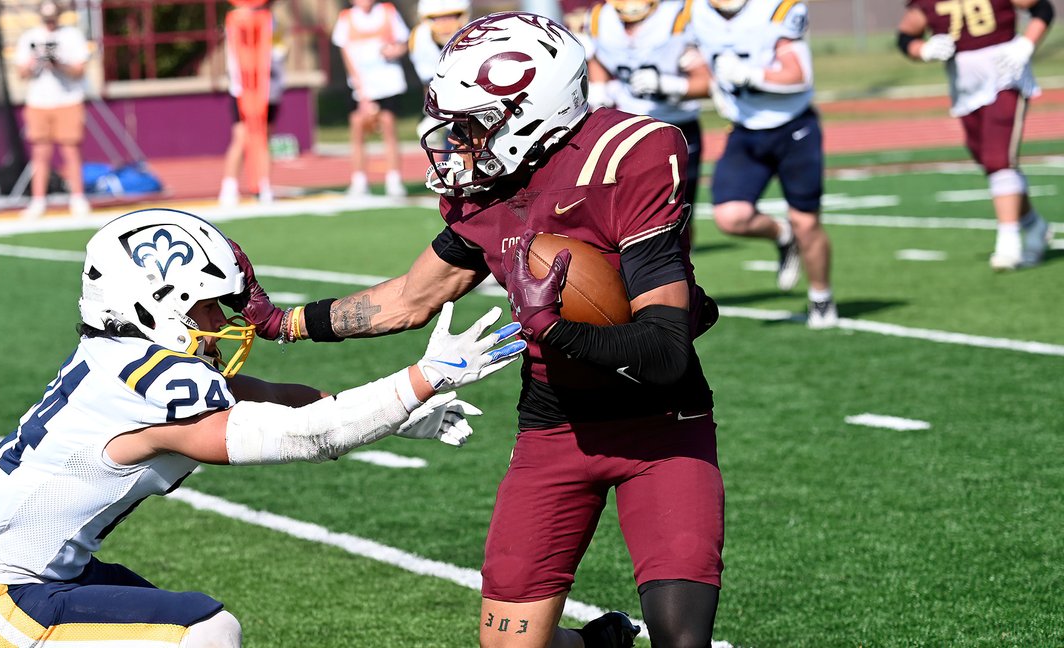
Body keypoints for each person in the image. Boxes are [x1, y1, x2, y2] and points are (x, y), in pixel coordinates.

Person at [246, 13, 725, 647]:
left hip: (660, 422)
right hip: (555, 425)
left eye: (471, 125)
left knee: (681, 641)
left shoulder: (625, 157)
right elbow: (407, 300)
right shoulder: (488, 192)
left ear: (532, 112)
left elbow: (664, 351)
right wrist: (285, 323)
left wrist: (549, 327)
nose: (455, 142)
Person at [0, 207, 525, 647]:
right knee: (206, 632)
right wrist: (423, 378)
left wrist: (398, 418)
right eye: (207, 306)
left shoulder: (117, 359)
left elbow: (276, 399)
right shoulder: (148, 387)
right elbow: (309, 437)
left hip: (49, 575)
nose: (222, 321)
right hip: (8, 600)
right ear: (153, 304)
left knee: (188, 625)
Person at [689, 0, 838, 329]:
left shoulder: (777, 9)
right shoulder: (694, 12)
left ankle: (821, 296)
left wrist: (750, 75)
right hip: (745, 128)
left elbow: (800, 76)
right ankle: (782, 235)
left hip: (793, 126)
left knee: (806, 222)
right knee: (731, 217)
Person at [897, 0, 1054, 271]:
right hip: (964, 84)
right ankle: (1033, 225)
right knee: (988, 158)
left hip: (1005, 72)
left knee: (998, 159)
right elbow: (906, 35)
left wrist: (1027, 44)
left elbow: (1042, 8)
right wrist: (922, 50)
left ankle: (1008, 244)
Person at [585, 0, 712, 214]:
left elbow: (707, 82)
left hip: (676, 124)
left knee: (679, 209)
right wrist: (600, 90)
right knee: (626, 203)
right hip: (630, 124)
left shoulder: (676, 17)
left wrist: (669, 85)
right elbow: (599, 59)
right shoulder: (600, 17)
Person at [14, 0, 91, 220]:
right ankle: (38, 200)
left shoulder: (72, 36)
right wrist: (35, 62)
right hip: (39, 102)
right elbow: (21, 73)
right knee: (40, 152)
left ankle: (77, 197)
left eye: (53, 19)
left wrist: (59, 63)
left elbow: (79, 71)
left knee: (70, 149)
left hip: (68, 99)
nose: (50, 23)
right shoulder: (30, 37)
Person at [331, 0, 411, 197]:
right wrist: (362, 92)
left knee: (388, 126)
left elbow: (403, 43)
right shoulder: (346, 18)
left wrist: (395, 50)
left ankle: (394, 180)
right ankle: (359, 181)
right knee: (358, 127)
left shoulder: (387, 12)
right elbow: (346, 55)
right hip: (361, 87)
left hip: (388, 84)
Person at [219, 0, 287, 207]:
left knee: (264, 137)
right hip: (243, 90)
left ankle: (264, 185)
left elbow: (279, 52)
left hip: (268, 91)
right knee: (241, 137)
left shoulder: (271, 22)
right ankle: (229, 187)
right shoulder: (235, 20)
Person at [408, 0, 470, 150]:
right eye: (439, 19)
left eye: (450, 17)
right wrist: (431, 111)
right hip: (444, 99)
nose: (445, 25)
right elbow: (429, 81)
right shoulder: (421, 37)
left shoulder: (473, 33)